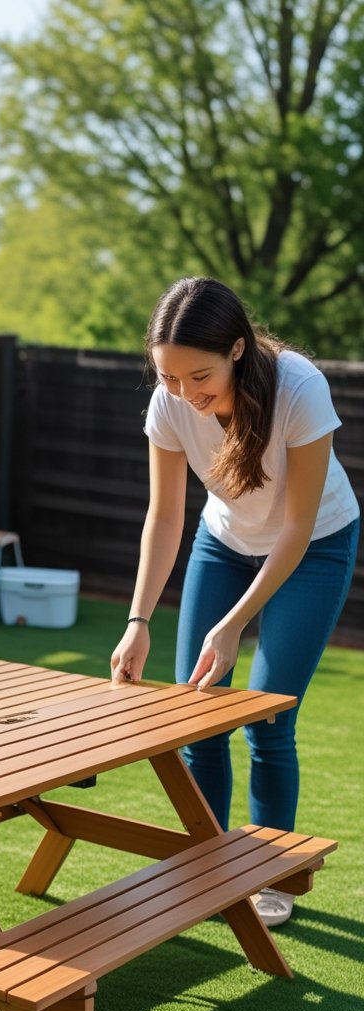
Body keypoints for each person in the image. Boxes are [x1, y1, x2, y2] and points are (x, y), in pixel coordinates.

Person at [111, 277, 360, 926]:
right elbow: (164, 518)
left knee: (267, 717)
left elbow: (296, 530)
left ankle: (270, 871)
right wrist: (138, 620)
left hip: (314, 546)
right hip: (221, 542)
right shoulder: (170, 407)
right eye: (168, 378)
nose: (186, 396)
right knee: (197, 716)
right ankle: (207, 865)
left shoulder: (300, 389)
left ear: (239, 351)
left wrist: (231, 625)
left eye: (200, 377)